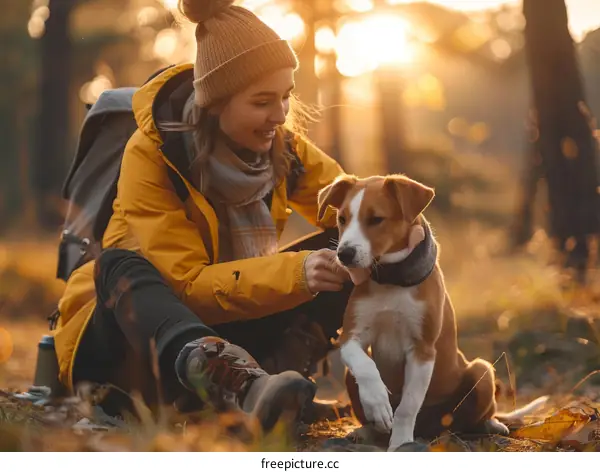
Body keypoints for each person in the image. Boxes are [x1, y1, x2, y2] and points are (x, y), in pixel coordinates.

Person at [52, 0, 350, 431]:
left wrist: (397, 224)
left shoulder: (281, 147)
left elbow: (352, 204)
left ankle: (272, 384)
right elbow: (186, 284)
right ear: (215, 103)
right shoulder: (153, 156)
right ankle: (243, 385)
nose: (281, 115)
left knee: (352, 244)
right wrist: (297, 272)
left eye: (286, 97)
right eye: (263, 101)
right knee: (118, 265)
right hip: (130, 349)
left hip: (227, 328)